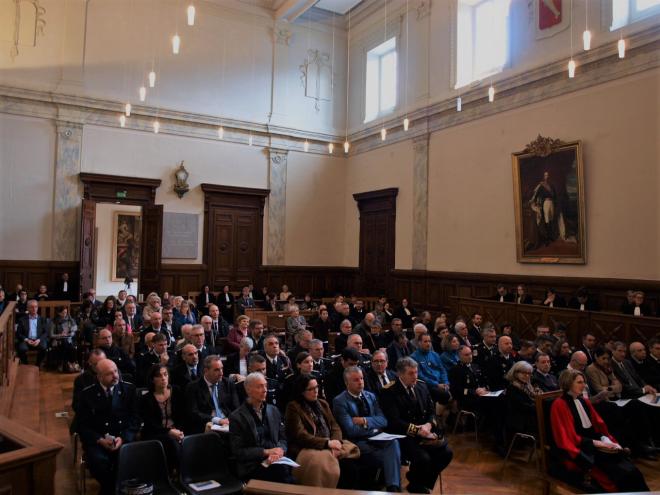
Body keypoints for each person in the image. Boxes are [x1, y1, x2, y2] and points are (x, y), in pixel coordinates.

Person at [550, 368, 650, 492]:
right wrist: (598, 443)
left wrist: (606, 439)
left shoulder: (584, 401)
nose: (584, 385)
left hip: (594, 443)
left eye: (584, 382)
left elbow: (598, 425)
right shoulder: (559, 404)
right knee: (619, 475)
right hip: (581, 448)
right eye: (579, 382)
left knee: (633, 472)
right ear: (568, 383)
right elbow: (566, 438)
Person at [380, 357, 453, 494]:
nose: (415, 376)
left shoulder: (421, 385)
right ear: (400, 374)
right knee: (423, 458)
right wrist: (418, 431)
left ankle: (417, 482)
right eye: (411, 373)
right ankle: (417, 484)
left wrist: (428, 425)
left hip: (425, 431)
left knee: (447, 453)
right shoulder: (389, 391)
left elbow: (431, 412)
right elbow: (394, 422)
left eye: (416, 372)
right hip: (403, 435)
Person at [333, 367, 402, 492]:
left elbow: (383, 420)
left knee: (394, 443)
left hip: (376, 437)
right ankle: (393, 487)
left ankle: (393, 487)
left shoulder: (371, 396)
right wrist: (373, 427)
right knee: (388, 457)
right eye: (356, 380)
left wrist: (364, 420)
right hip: (357, 442)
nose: (360, 382)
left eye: (362, 378)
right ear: (346, 383)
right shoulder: (340, 401)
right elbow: (351, 430)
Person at [76, 359, 140, 495]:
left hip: (122, 438)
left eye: (116, 371)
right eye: (109, 374)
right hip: (98, 441)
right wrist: (99, 440)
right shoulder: (87, 394)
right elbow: (82, 426)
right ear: (99, 376)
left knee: (130, 459)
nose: (115, 376)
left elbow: (135, 420)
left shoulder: (128, 389)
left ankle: (110, 490)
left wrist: (123, 438)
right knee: (99, 463)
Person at [285, 374, 354, 488]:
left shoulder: (323, 403)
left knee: (351, 466)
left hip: (331, 445)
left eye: (316, 387)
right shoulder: (293, 407)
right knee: (329, 467)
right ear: (301, 391)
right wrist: (326, 443)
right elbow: (300, 435)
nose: (316, 391)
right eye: (311, 389)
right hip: (307, 448)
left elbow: (334, 425)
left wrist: (335, 443)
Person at [229, 372, 292, 482]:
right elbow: (238, 451)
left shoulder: (273, 410)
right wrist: (266, 452)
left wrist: (280, 450)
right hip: (253, 465)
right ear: (248, 390)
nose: (265, 390)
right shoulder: (237, 417)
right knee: (284, 476)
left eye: (265, 385)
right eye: (260, 386)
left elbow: (283, 438)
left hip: (276, 460)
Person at [139, 364, 186, 470]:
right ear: (152, 380)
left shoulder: (177, 392)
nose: (163, 378)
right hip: (156, 433)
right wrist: (169, 431)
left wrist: (179, 431)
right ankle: (176, 474)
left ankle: (181, 474)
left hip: (178, 430)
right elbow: (150, 424)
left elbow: (183, 416)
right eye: (159, 376)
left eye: (165, 374)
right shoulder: (145, 399)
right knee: (171, 442)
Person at [184, 355, 239, 434]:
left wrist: (230, 420)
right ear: (206, 370)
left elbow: (236, 407)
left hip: (227, 423)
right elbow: (194, 413)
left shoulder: (228, 384)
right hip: (207, 424)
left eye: (222, 368)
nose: (221, 373)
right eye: (216, 370)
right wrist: (218, 420)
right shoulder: (193, 387)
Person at [448, 345, 490, 413]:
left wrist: (484, 388)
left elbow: (483, 380)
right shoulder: (455, 370)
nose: (470, 356)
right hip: (466, 399)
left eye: (470, 353)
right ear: (459, 356)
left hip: (481, 394)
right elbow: (456, 390)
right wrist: (474, 392)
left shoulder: (475, 366)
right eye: (466, 355)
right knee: (488, 403)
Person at [504, 361, 540, 434]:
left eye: (529, 373)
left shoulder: (528, 385)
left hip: (529, 415)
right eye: (524, 373)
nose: (527, 376)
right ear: (516, 373)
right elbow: (522, 406)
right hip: (520, 420)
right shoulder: (512, 388)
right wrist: (537, 405)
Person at [15, 299, 48, 366]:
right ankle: (26, 365)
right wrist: (27, 340)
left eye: (36, 307)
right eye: (32, 307)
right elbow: (18, 333)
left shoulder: (42, 319)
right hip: (27, 340)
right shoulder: (22, 320)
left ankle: (37, 365)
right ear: (28, 308)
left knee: (44, 347)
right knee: (21, 348)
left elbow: (46, 332)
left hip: (38, 340)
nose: (34, 309)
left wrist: (39, 340)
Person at [49, 305, 79, 372]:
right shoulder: (54, 321)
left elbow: (75, 328)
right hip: (58, 340)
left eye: (66, 312)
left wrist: (71, 333)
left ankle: (69, 364)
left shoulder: (70, 319)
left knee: (69, 344)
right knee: (66, 344)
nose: (65, 314)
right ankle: (70, 363)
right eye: (63, 313)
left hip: (69, 339)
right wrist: (60, 335)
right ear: (59, 313)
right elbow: (51, 335)